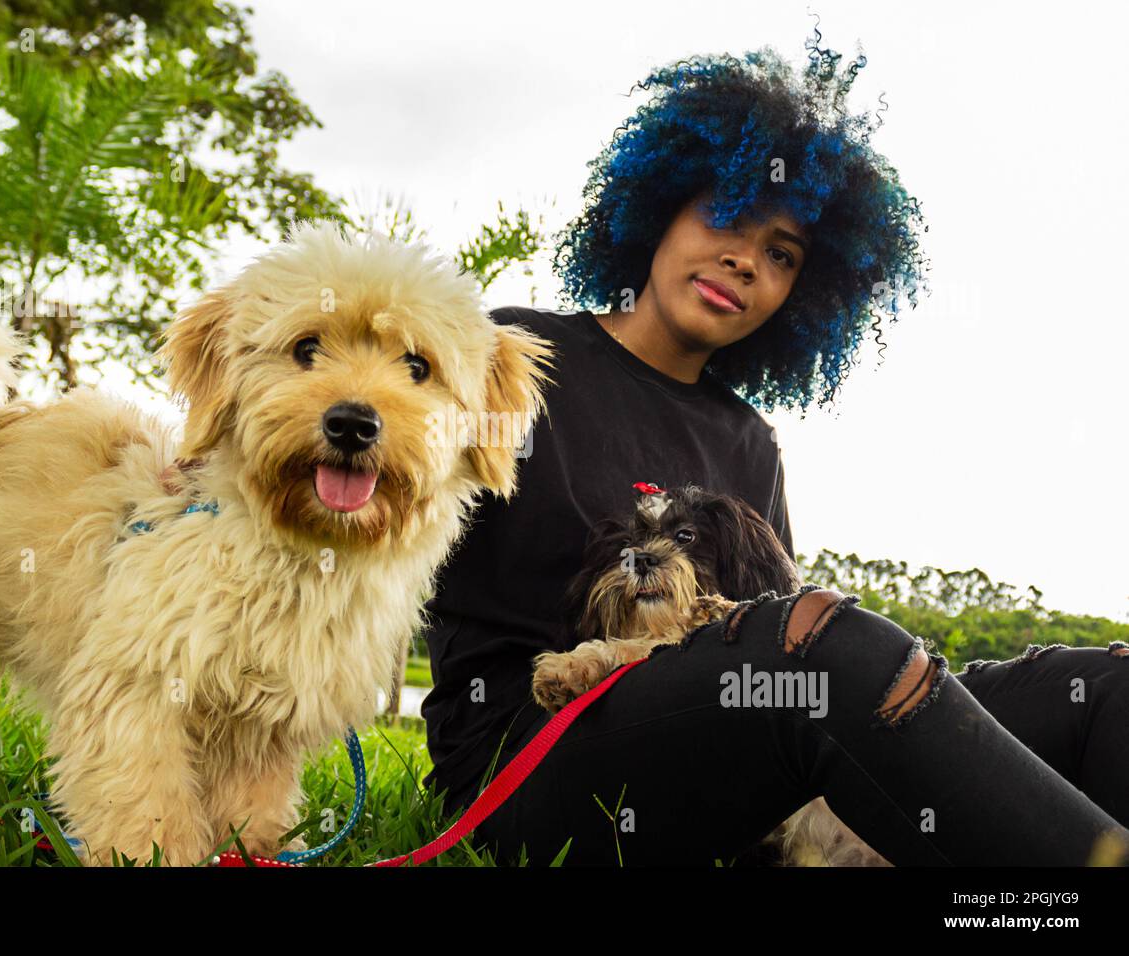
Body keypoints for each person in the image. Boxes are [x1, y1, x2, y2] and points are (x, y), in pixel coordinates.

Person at [418, 36, 1129, 866]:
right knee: (826, 641)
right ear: (659, 206)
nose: (744, 259)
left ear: (804, 294)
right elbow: (370, 497)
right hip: (531, 762)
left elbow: (769, 634)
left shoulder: (749, 442)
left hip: (737, 743)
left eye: (781, 254)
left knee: (1102, 689)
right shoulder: (515, 358)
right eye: (725, 214)